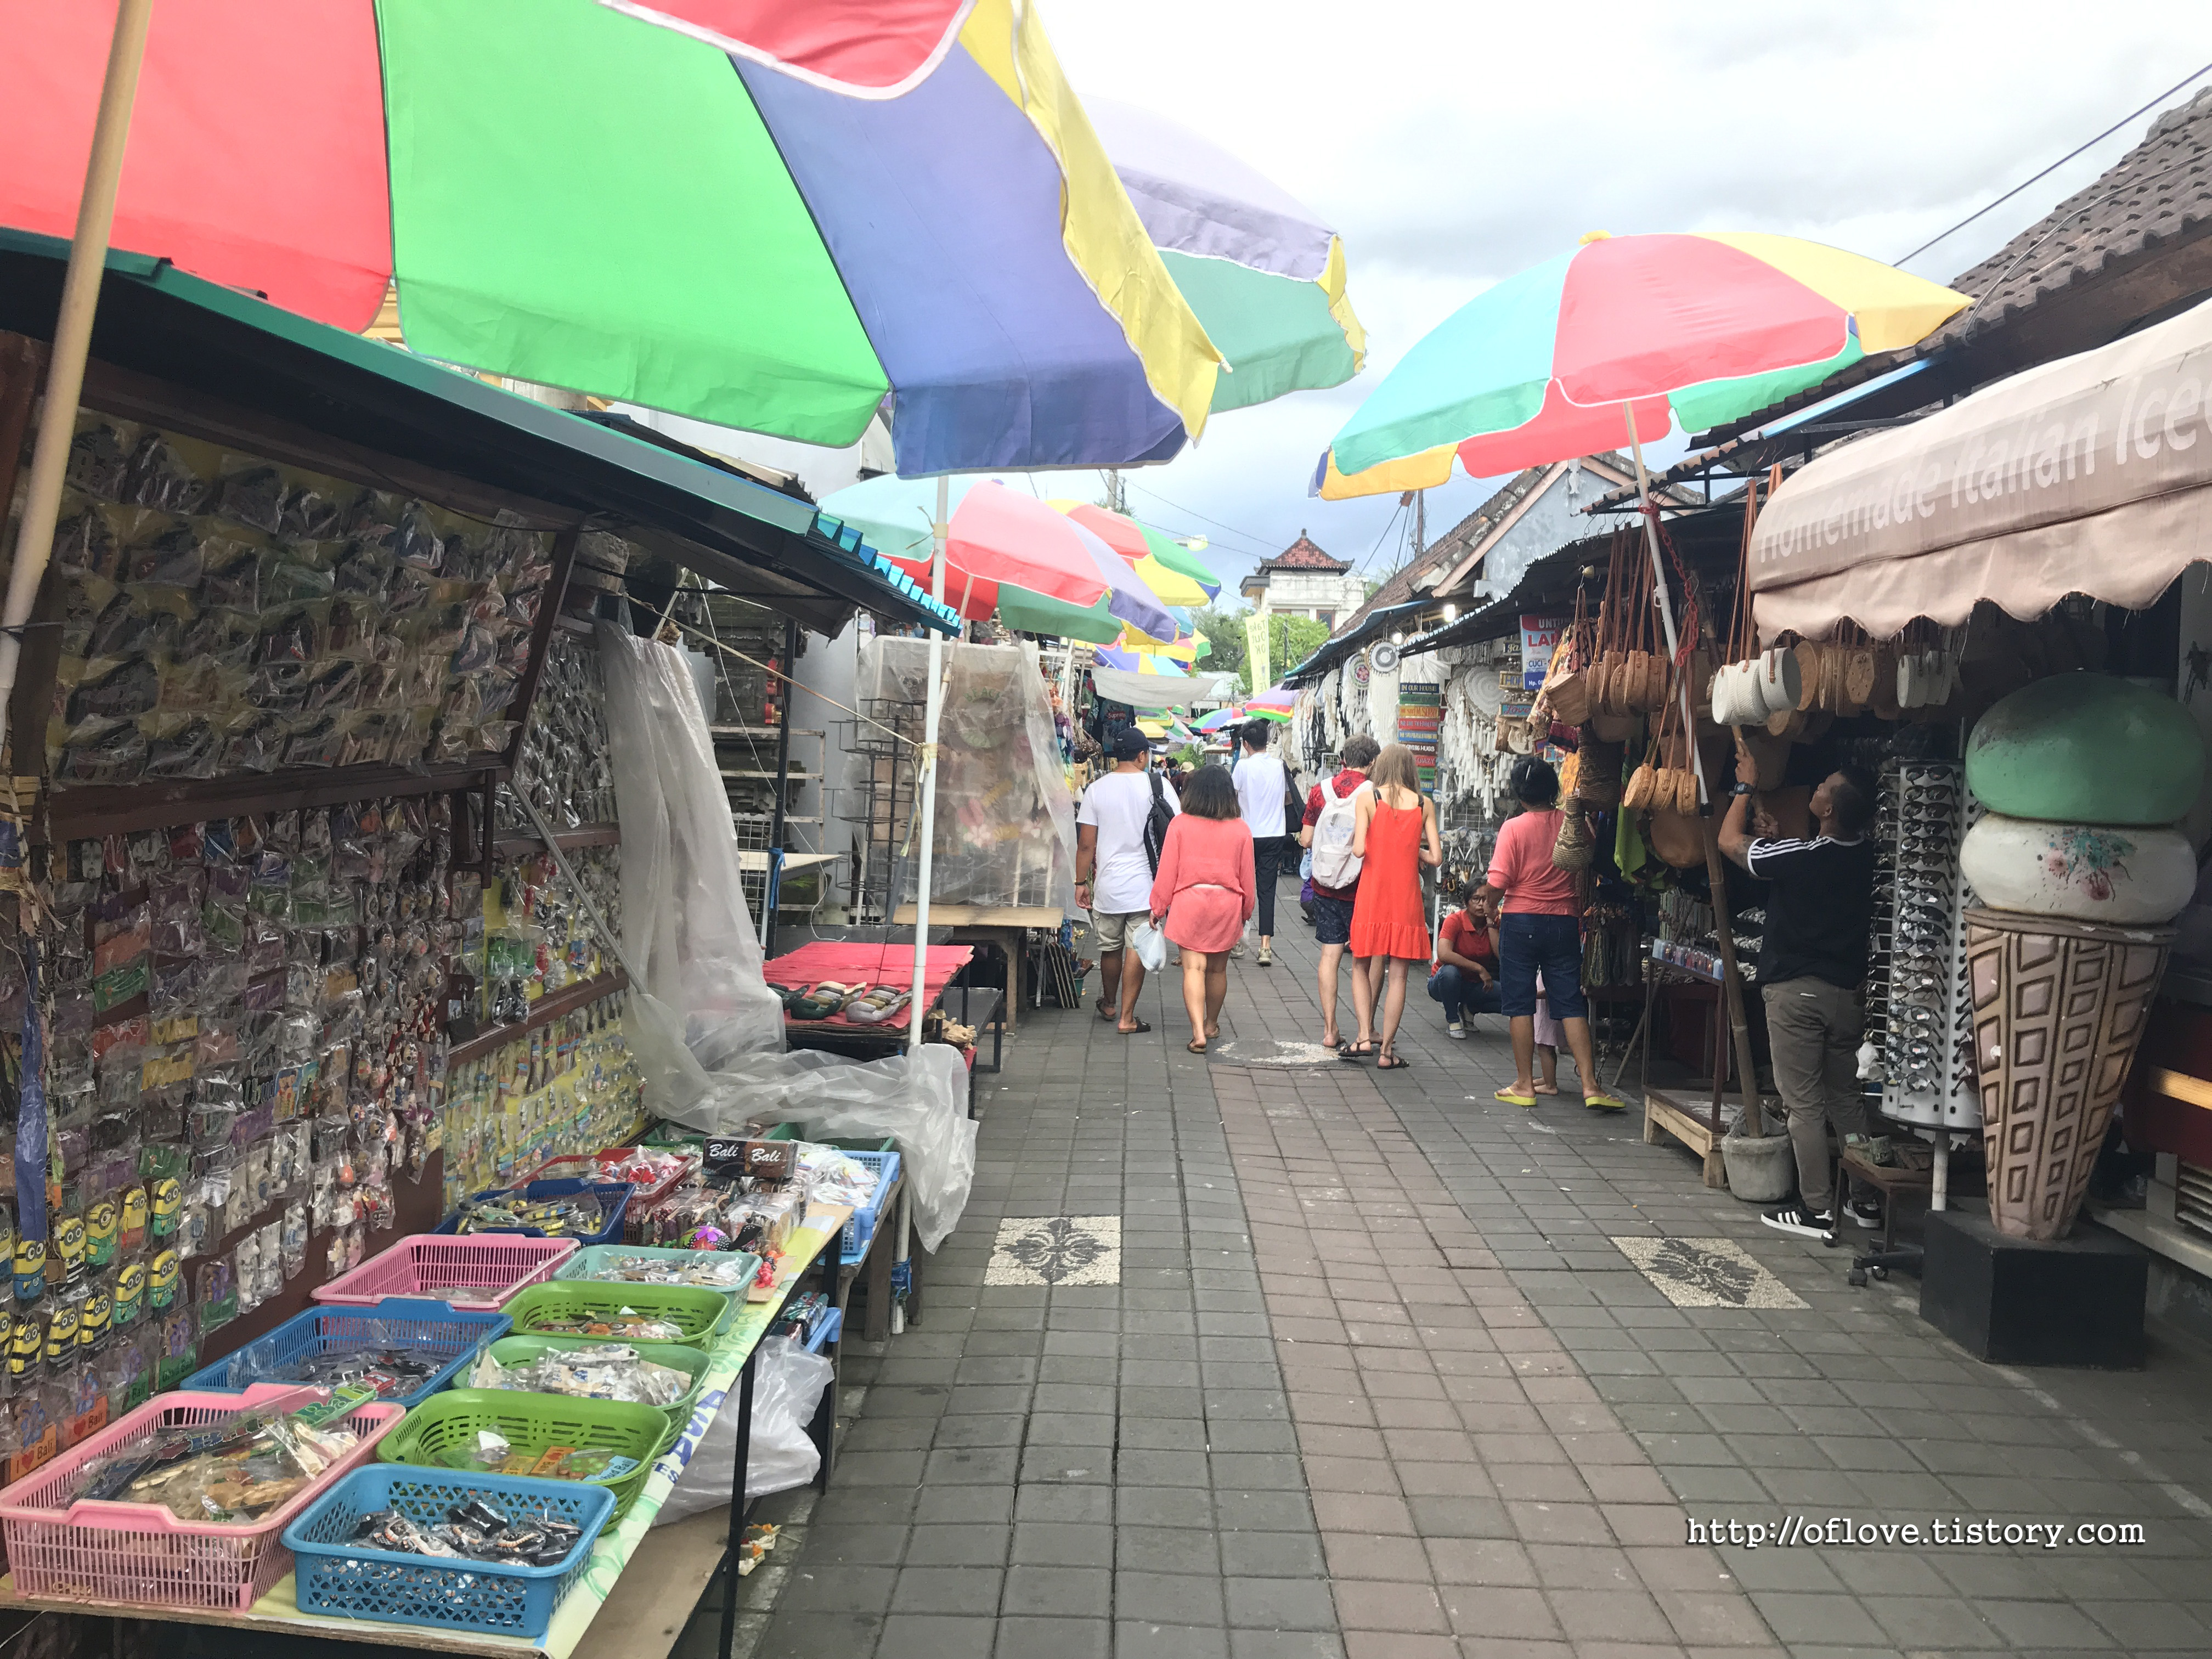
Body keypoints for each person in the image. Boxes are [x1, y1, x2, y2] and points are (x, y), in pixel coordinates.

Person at [1718, 757, 1882, 1239]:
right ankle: (1865, 1199)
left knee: (1804, 1104)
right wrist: (1777, 840)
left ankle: (1817, 1209)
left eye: (1825, 784)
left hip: (1798, 994)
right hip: (1846, 996)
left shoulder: (1804, 855)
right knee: (1845, 1099)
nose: (1818, 784)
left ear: (1829, 810)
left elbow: (1729, 842)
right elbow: (1797, 858)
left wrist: (1745, 786)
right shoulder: (1866, 858)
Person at [1485, 755, 1622, 1109]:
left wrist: (1489, 907)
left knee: (1520, 1004)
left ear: (1520, 795)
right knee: (1570, 1002)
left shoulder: (1514, 829)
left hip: (1521, 921)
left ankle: (1524, 1084)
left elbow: (1498, 882)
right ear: (1554, 789)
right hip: (1564, 921)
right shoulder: (1573, 823)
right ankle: (1591, 1086)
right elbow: (1588, 856)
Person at [1345, 744, 1443, 1069]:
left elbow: (1359, 850)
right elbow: (1436, 857)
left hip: (1373, 893)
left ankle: (1363, 1036)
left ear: (1381, 766)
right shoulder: (1424, 804)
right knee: (1399, 976)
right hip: (1406, 897)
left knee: (1360, 965)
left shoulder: (1368, 799)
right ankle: (1387, 1052)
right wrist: (1413, 851)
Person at [1076, 727, 1177, 1035]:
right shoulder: (1159, 785)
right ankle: (1127, 1018)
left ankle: (1109, 1004)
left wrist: (1080, 883)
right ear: (1142, 755)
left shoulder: (1096, 789)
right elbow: (1177, 833)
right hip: (1147, 886)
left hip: (1108, 886)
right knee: (1137, 947)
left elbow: (1086, 845)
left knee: (1110, 949)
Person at [1149, 765, 1255, 1054]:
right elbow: (1248, 877)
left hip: (1189, 902)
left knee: (1193, 969)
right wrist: (1246, 912)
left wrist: (1157, 907)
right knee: (1218, 970)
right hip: (1226, 904)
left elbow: (1167, 871)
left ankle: (1197, 1033)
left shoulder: (1180, 825)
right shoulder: (1241, 829)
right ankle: (1211, 1024)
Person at [1300, 734, 1380, 1053]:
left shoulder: (1319, 791)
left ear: (1344, 758)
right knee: (1364, 961)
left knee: (1329, 956)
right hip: (1360, 887)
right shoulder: (1374, 794)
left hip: (1324, 885)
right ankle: (1366, 1030)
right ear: (1372, 762)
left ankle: (1330, 1029)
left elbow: (1306, 839)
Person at [1232, 723, 1296, 967]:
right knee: (1267, 891)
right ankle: (1265, 947)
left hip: (1247, 835)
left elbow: (1232, 797)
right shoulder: (1279, 766)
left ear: (1246, 744)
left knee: (1241, 888)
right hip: (1274, 835)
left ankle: (1239, 940)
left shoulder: (1242, 766)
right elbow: (1288, 798)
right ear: (1266, 741)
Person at [1429, 887, 1502, 1039]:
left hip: (1474, 985)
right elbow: (1444, 954)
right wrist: (1479, 968)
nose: (1481, 904)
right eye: (1476, 899)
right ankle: (1453, 1020)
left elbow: (1500, 955)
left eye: (1486, 899)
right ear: (1466, 902)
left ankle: (1469, 1008)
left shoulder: (1493, 924)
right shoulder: (1455, 920)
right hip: (1443, 983)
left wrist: (1491, 923)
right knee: (1450, 972)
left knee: (1511, 996)